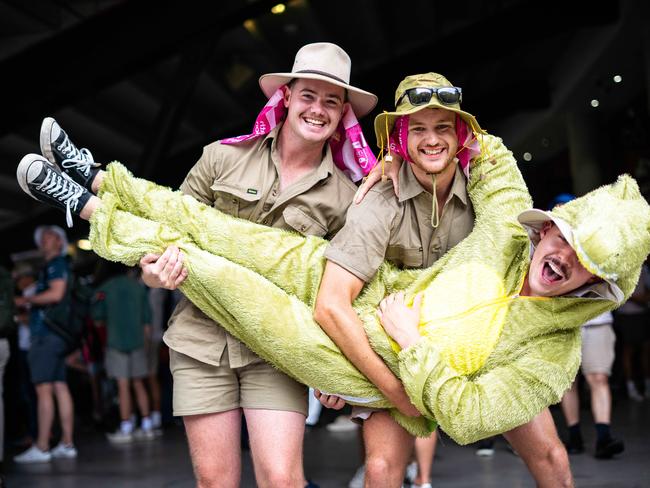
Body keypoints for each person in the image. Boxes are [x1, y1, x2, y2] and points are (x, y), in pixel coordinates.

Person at [16, 91, 650, 459]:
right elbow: (490, 155)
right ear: (547, 229)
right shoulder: (509, 234)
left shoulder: (553, 355)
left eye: (582, 262)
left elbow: (467, 417)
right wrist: (412, 142)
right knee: (216, 227)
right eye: (563, 235)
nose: (561, 255)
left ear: (596, 286)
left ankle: (89, 211)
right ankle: (99, 175)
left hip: (348, 356)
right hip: (360, 285)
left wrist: (412, 348)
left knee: (211, 269)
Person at [28, 42, 377, 487]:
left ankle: (89, 199)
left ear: (343, 112)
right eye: (308, 95)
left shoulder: (347, 197)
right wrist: (155, 275)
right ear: (286, 97)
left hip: (275, 349)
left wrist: (333, 368)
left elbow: (335, 290)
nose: (318, 109)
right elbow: (168, 232)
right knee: (215, 483)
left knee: (282, 480)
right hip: (200, 341)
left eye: (332, 101)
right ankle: (92, 182)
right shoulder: (221, 156)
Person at [13, 225, 78, 463]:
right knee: (59, 386)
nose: (43, 240)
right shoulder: (59, 266)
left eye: (50, 236)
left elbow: (56, 294)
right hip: (58, 336)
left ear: (60, 243)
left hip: (46, 336)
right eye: (42, 237)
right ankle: (67, 443)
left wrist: (25, 299)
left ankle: (41, 446)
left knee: (43, 390)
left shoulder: (55, 265)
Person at [92, 261, 155, 442]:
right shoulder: (138, 288)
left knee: (122, 386)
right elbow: (147, 322)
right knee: (139, 383)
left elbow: (97, 319)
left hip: (115, 342)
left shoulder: (105, 288)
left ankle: (126, 427)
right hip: (138, 342)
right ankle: (147, 424)